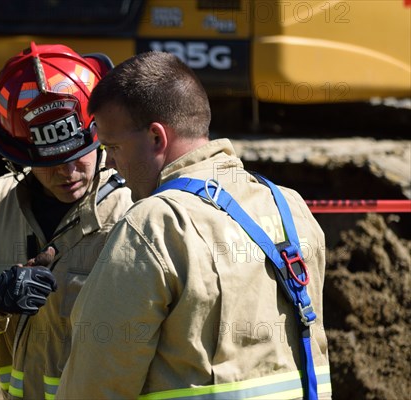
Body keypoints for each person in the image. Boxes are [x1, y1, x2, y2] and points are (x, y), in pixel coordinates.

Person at [56, 51, 332, 399]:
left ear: (157, 138)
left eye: (113, 147)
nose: (108, 163)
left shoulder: (156, 225)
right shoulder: (289, 207)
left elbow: (96, 382)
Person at [0, 43, 132, 399]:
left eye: (79, 155)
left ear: (101, 136)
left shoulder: (138, 208)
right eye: (50, 161)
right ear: (18, 156)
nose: (68, 172)